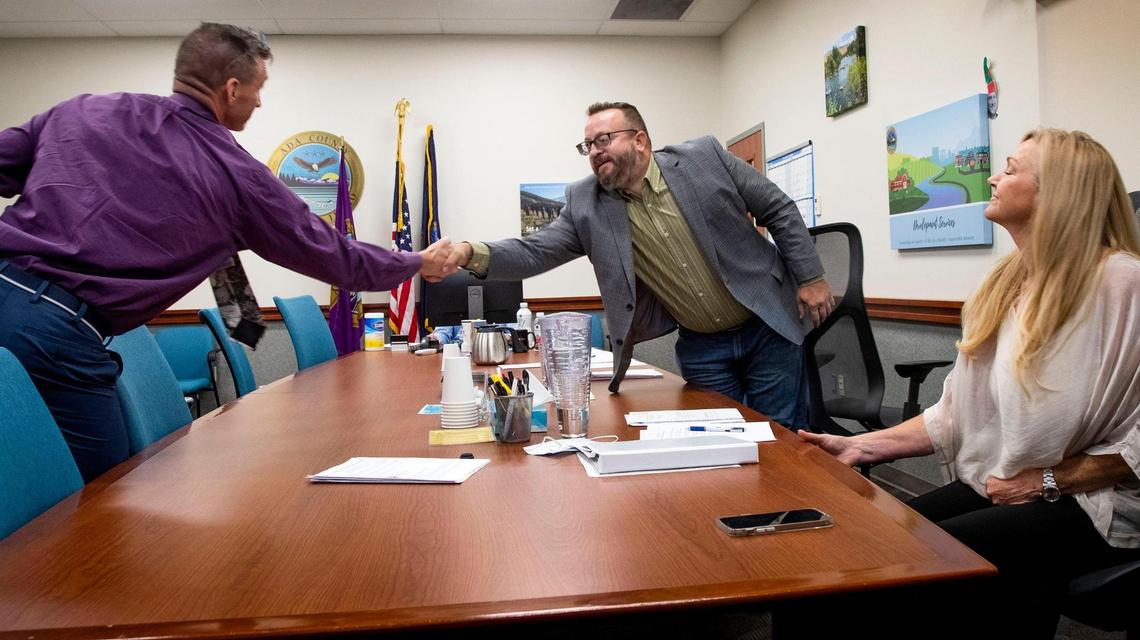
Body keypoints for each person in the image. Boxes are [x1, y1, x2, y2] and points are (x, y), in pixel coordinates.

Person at [0, 23, 456, 483]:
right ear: (232, 88)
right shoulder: (236, 175)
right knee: (104, 499)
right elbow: (335, 256)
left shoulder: (86, 110)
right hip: (57, 336)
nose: (260, 102)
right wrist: (418, 262)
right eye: (259, 89)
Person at [799, 128, 1140, 637]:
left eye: (1010, 168)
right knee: (873, 548)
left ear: (1056, 193)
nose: (994, 177)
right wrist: (859, 447)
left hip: (1095, 502)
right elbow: (956, 412)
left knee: (901, 576)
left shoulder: (1122, 283)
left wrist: (1048, 481)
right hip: (1009, 484)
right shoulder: (1008, 283)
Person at [442, 102, 833, 428]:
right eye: (588, 145)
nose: (594, 151)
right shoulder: (586, 202)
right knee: (720, 440)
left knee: (780, 434)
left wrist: (811, 276)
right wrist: (467, 252)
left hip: (765, 323)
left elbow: (777, 207)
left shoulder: (704, 158)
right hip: (703, 346)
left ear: (640, 140)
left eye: (604, 139)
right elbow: (535, 251)